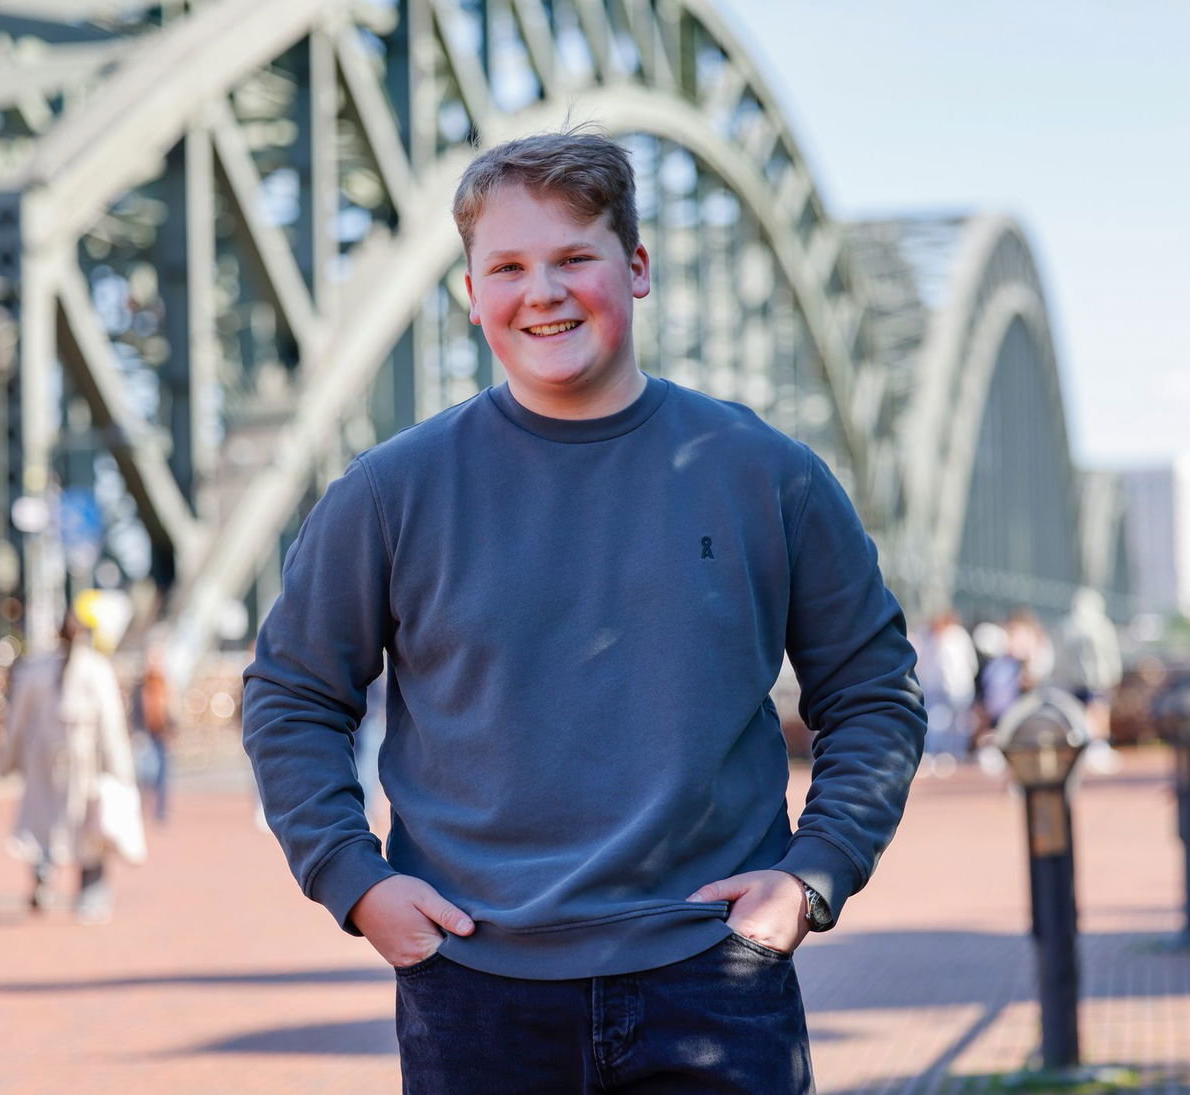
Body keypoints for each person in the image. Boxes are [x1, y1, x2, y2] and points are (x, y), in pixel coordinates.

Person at [243, 130, 927, 1094]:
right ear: (470, 293)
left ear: (636, 266)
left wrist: (815, 871)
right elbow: (291, 696)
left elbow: (874, 695)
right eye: (508, 267)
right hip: (474, 983)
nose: (543, 292)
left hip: (714, 978)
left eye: (575, 258)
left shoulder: (767, 475)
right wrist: (355, 883)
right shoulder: (390, 493)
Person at [0, 611, 141, 925]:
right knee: (83, 829)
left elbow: (17, 719)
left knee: (49, 824)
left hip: (49, 760)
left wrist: (8, 759)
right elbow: (111, 725)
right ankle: (87, 892)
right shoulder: (95, 668)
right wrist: (121, 771)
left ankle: (46, 877)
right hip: (79, 762)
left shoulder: (37, 668)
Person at [1054, 588, 1124, 773]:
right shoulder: (1100, 625)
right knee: (1094, 713)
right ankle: (1094, 748)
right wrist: (1113, 674)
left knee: (1090, 713)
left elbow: (1059, 657)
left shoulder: (1069, 625)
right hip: (1093, 678)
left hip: (1082, 679)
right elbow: (1111, 654)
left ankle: (1094, 748)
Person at [913, 610, 978, 775]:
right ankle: (935, 754)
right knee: (936, 721)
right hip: (936, 688)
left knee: (959, 724)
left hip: (959, 688)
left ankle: (955, 754)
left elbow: (970, 663)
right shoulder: (929, 637)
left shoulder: (958, 636)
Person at [133, 644, 176, 824]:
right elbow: (135, 710)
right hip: (146, 734)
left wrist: (173, 729)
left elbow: (172, 710)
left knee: (163, 775)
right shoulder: (141, 686)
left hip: (162, 735)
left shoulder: (167, 685)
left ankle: (160, 811)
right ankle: (143, 809)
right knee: (145, 775)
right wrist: (137, 731)